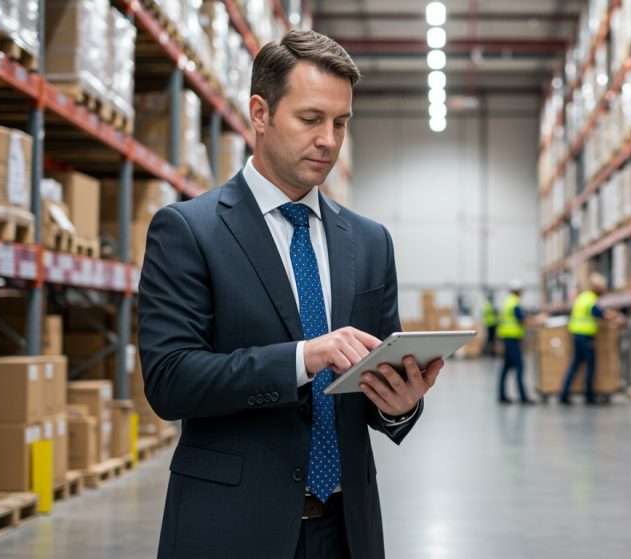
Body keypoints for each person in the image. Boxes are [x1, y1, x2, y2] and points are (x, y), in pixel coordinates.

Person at [137, 30, 444, 559]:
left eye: (340, 123)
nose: (329, 139)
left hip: (346, 530)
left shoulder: (370, 243)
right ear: (261, 113)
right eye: (310, 119)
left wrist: (399, 404)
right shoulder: (189, 230)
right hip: (233, 526)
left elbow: (371, 388)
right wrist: (304, 358)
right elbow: (170, 381)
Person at [559, 272, 617, 405]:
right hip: (585, 336)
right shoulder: (590, 298)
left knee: (575, 364)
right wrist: (611, 316)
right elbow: (597, 312)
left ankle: (564, 394)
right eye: (601, 288)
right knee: (591, 365)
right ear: (596, 287)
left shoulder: (582, 297)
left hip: (577, 334)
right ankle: (589, 396)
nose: (603, 291)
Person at [496, 280, 534, 404]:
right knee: (519, 367)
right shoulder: (514, 303)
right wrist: (537, 319)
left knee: (506, 367)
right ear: (518, 291)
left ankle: (501, 395)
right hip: (512, 339)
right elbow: (522, 319)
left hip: (507, 338)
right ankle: (523, 397)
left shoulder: (507, 302)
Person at [482, 291, 498, 357]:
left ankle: (490, 351)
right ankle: (490, 352)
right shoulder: (489, 304)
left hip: (490, 324)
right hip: (491, 324)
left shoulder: (487, 304)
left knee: (490, 339)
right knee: (491, 339)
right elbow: (493, 312)